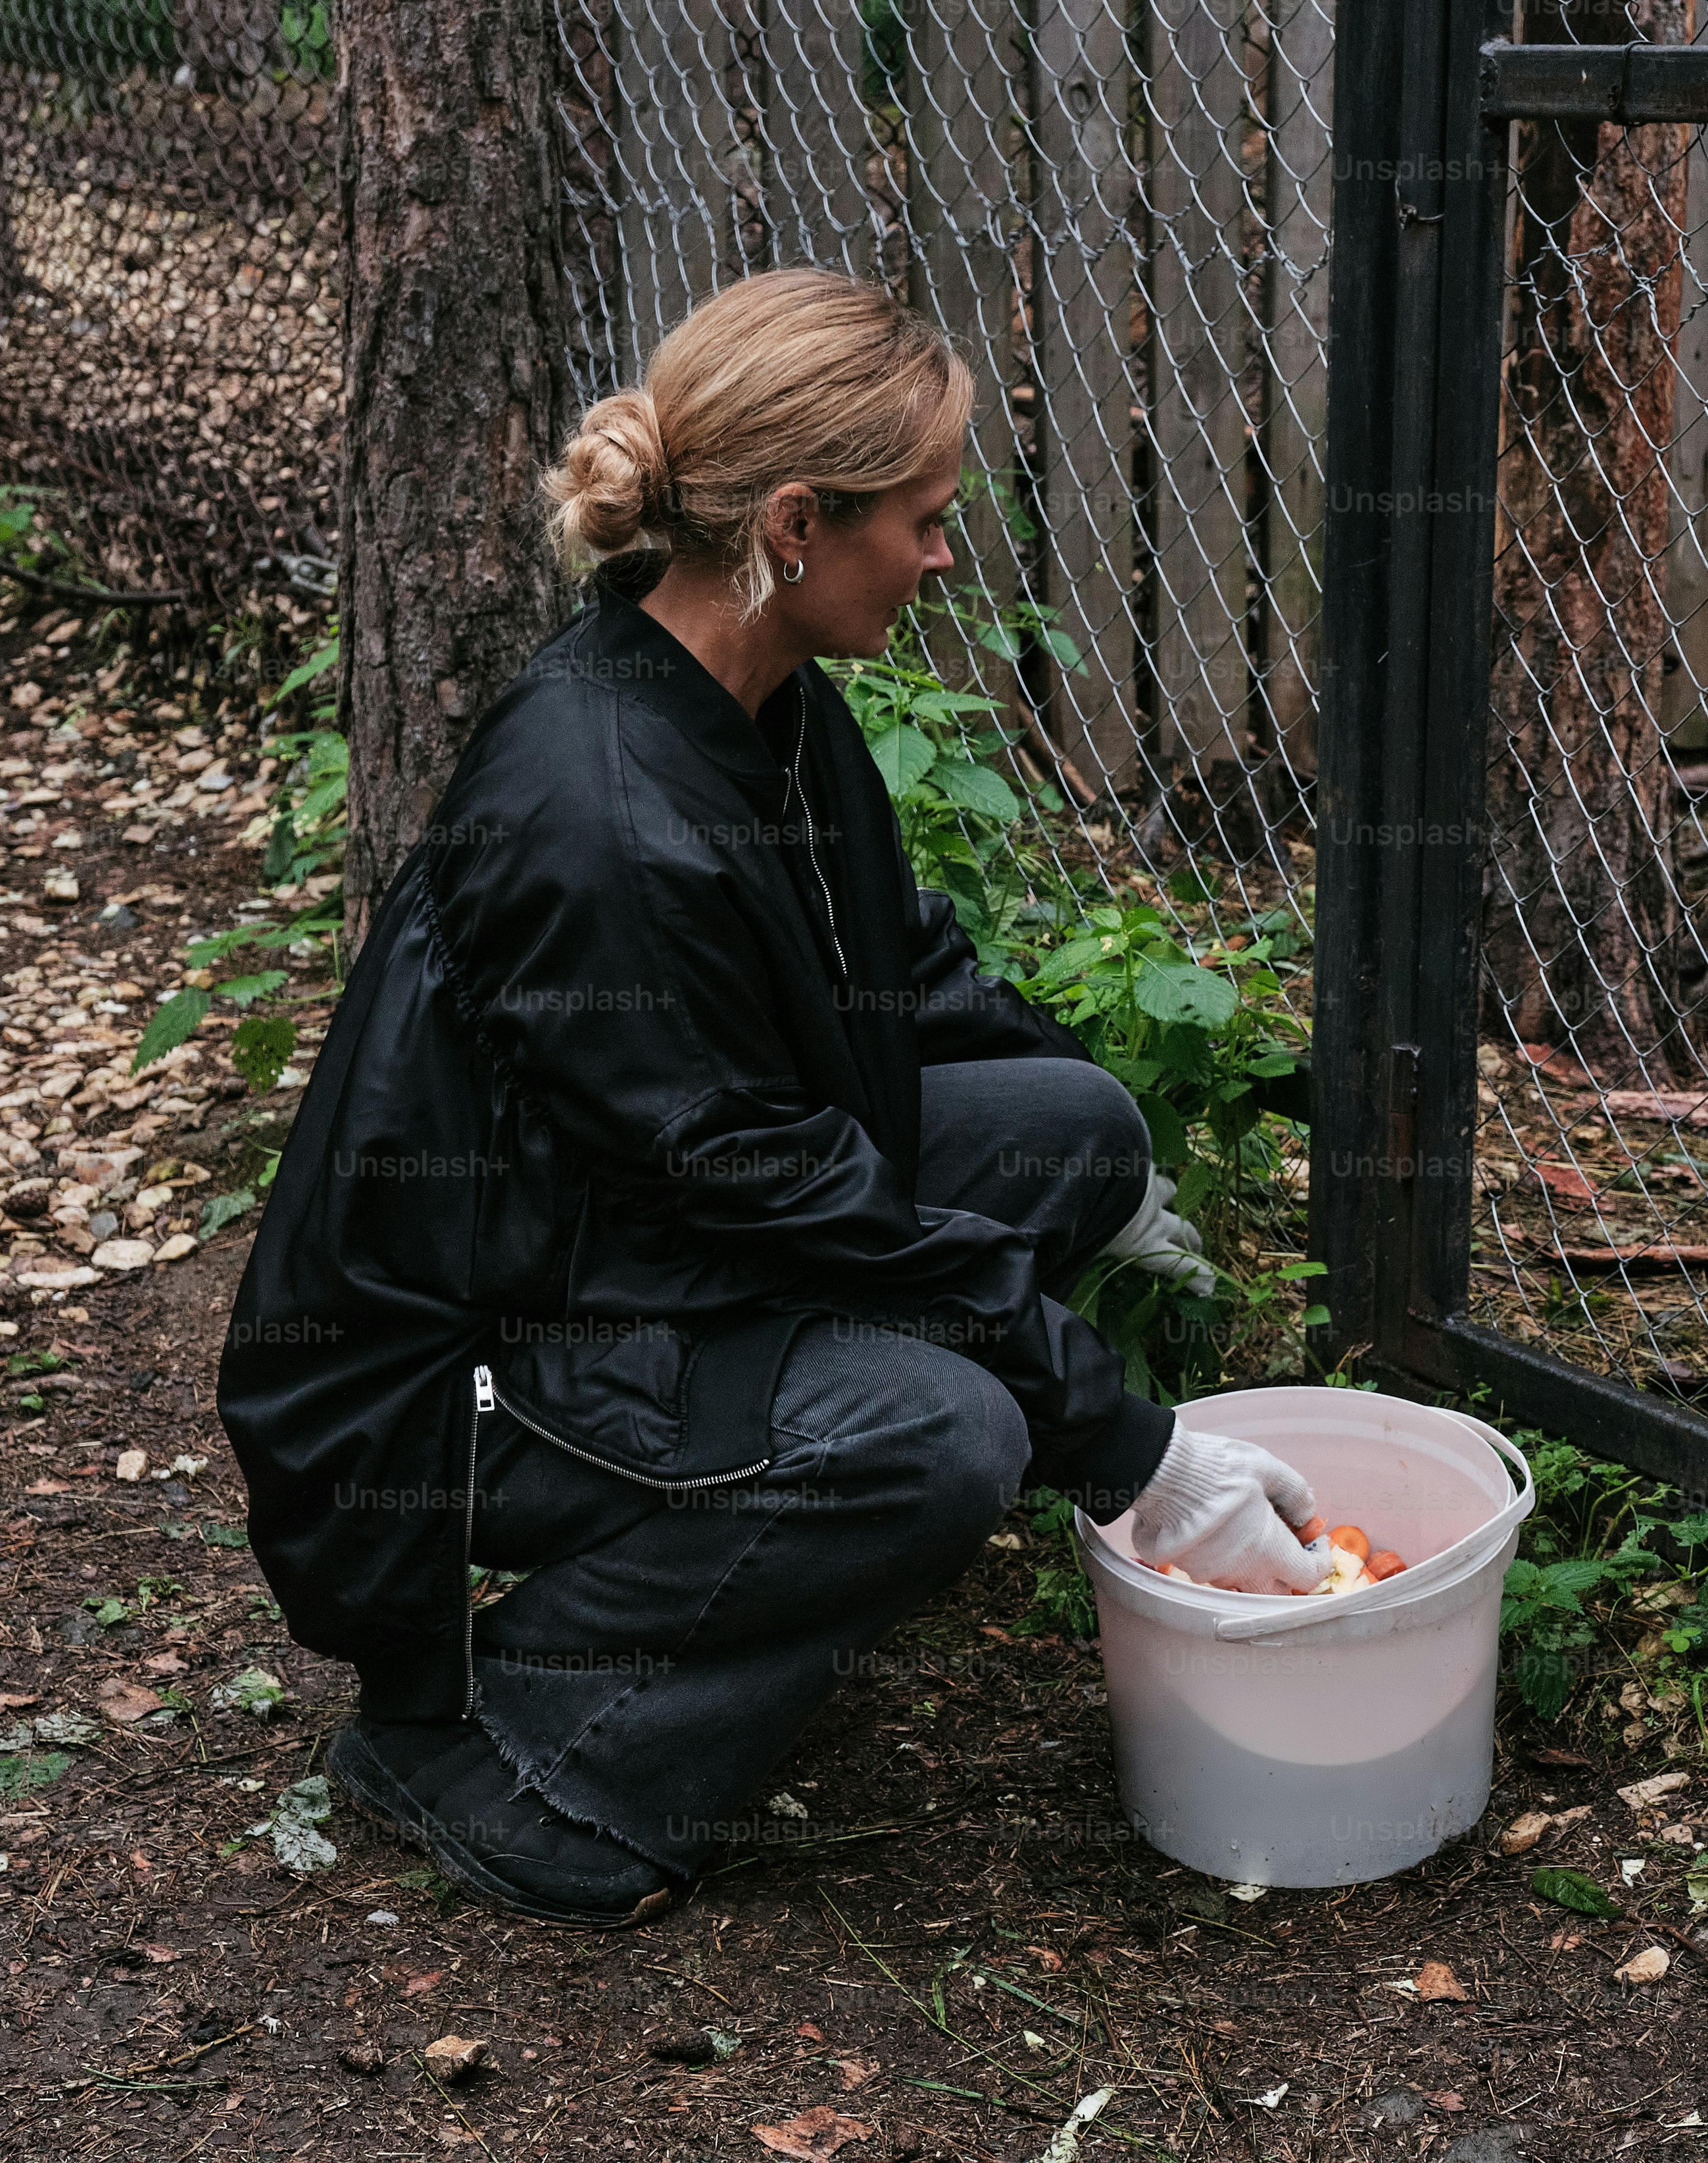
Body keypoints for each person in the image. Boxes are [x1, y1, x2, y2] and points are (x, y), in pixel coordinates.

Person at [215, 269, 1334, 1928]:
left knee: (1069, 1130)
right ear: (798, 523)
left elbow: (900, 972)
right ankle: (512, 1749)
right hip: (457, 1376)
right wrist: (1125, 1442)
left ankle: (757, 1552)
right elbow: (789, 1183)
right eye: (929, 518)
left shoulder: (751, 700)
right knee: (945, 1438)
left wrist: (1151, 1119)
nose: (949, 560)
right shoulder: (602, 820)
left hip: (630, 1235)